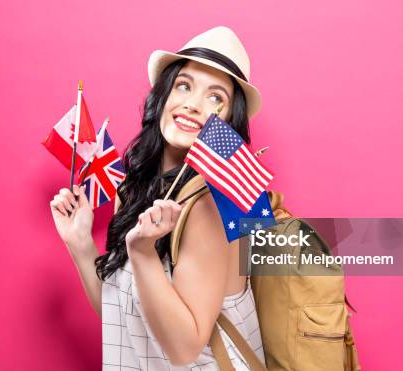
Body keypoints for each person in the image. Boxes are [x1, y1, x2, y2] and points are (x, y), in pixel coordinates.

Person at [50, 26, 266, 370]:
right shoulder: (134, 188)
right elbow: (123, 318)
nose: (193, 105)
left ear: (228, 119)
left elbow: (184, 349)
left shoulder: (210, 204)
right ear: (163, 95)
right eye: (184, 85)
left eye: (215, 98)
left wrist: (143, 252)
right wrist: (80, 244)